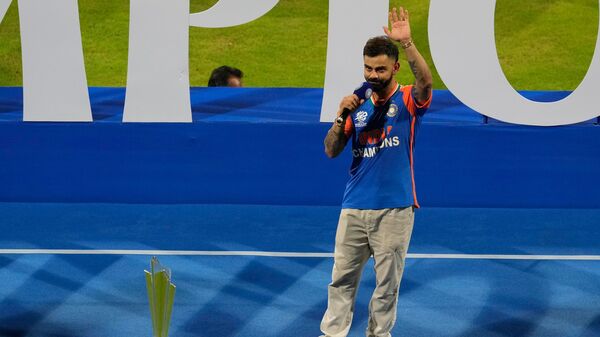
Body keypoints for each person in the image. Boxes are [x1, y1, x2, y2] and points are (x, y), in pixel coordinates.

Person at [320, 6, 433, 337]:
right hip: (353, 206)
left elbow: (425, 81)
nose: (373, 75)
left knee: (387, 286)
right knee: (341, 279)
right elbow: (330, 149)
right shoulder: (356, 103)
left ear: (394, 68)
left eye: (380, 69)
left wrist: (408, 42)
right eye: (368, 68)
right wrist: (341, 116)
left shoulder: (410, 99)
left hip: (394, 208)